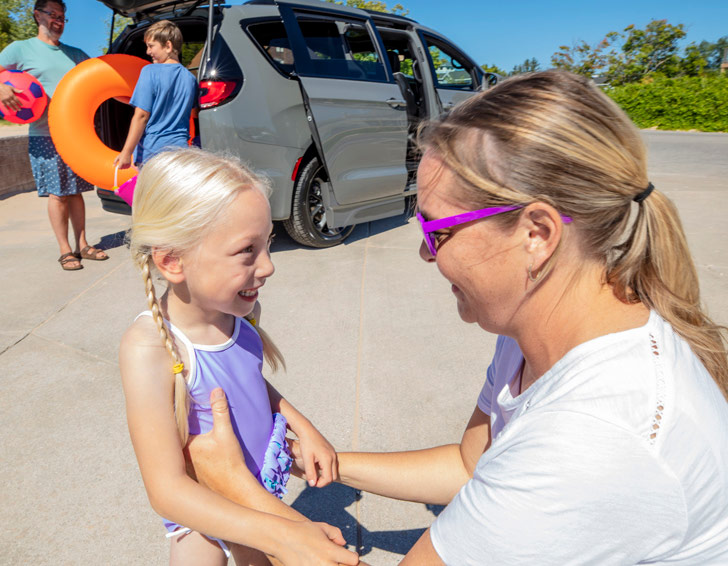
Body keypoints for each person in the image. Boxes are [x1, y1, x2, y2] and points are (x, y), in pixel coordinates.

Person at [189, 70, 728, 564]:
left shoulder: (592, 442)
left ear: (536, 234)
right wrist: (334, 461)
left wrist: (238, 493)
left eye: (438, 231)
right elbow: (472, 466)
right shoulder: (542, 327)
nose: (426, 253)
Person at [119, 147, 359, 566]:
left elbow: (248, 380)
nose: (267, 267)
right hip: (206, 519)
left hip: (256, 491)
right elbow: (167, 490)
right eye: (247, 250)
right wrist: (286, 534)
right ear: (173, 261)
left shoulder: (240, 313)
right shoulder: (152, 349)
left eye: (267, 244)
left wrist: (304, 427)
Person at [0, 0, 108, 271]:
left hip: (77, 135)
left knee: (77, 193)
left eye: (62, 17)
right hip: (44, 136)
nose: (58, 21)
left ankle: (83, 244)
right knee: (57, 194)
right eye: (53, 15)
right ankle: (65, 250)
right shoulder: (20, 48)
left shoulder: (76, 54)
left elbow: (96, 81)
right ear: (37, 15)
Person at [113, 20, 197, 170]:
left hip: (154, 152)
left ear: (168, 46)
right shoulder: (190, 78)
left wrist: (126, 152)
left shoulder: (150, 71)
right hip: (181, 152)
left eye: (151, 46)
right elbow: (192, 113)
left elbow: (142, 116)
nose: (147, 52)